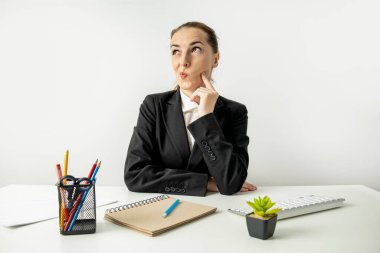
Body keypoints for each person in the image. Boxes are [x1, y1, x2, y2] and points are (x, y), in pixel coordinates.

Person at [124, 21, 256, 196]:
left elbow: (230, 183)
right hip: (162, 209)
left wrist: (206, 118)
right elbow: (135, 175)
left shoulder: (235, 112)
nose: (183, 62)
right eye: (176, 51)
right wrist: (203, 183)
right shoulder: (154, 106)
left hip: (215, 213)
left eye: (195, 49)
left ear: (215, 59)